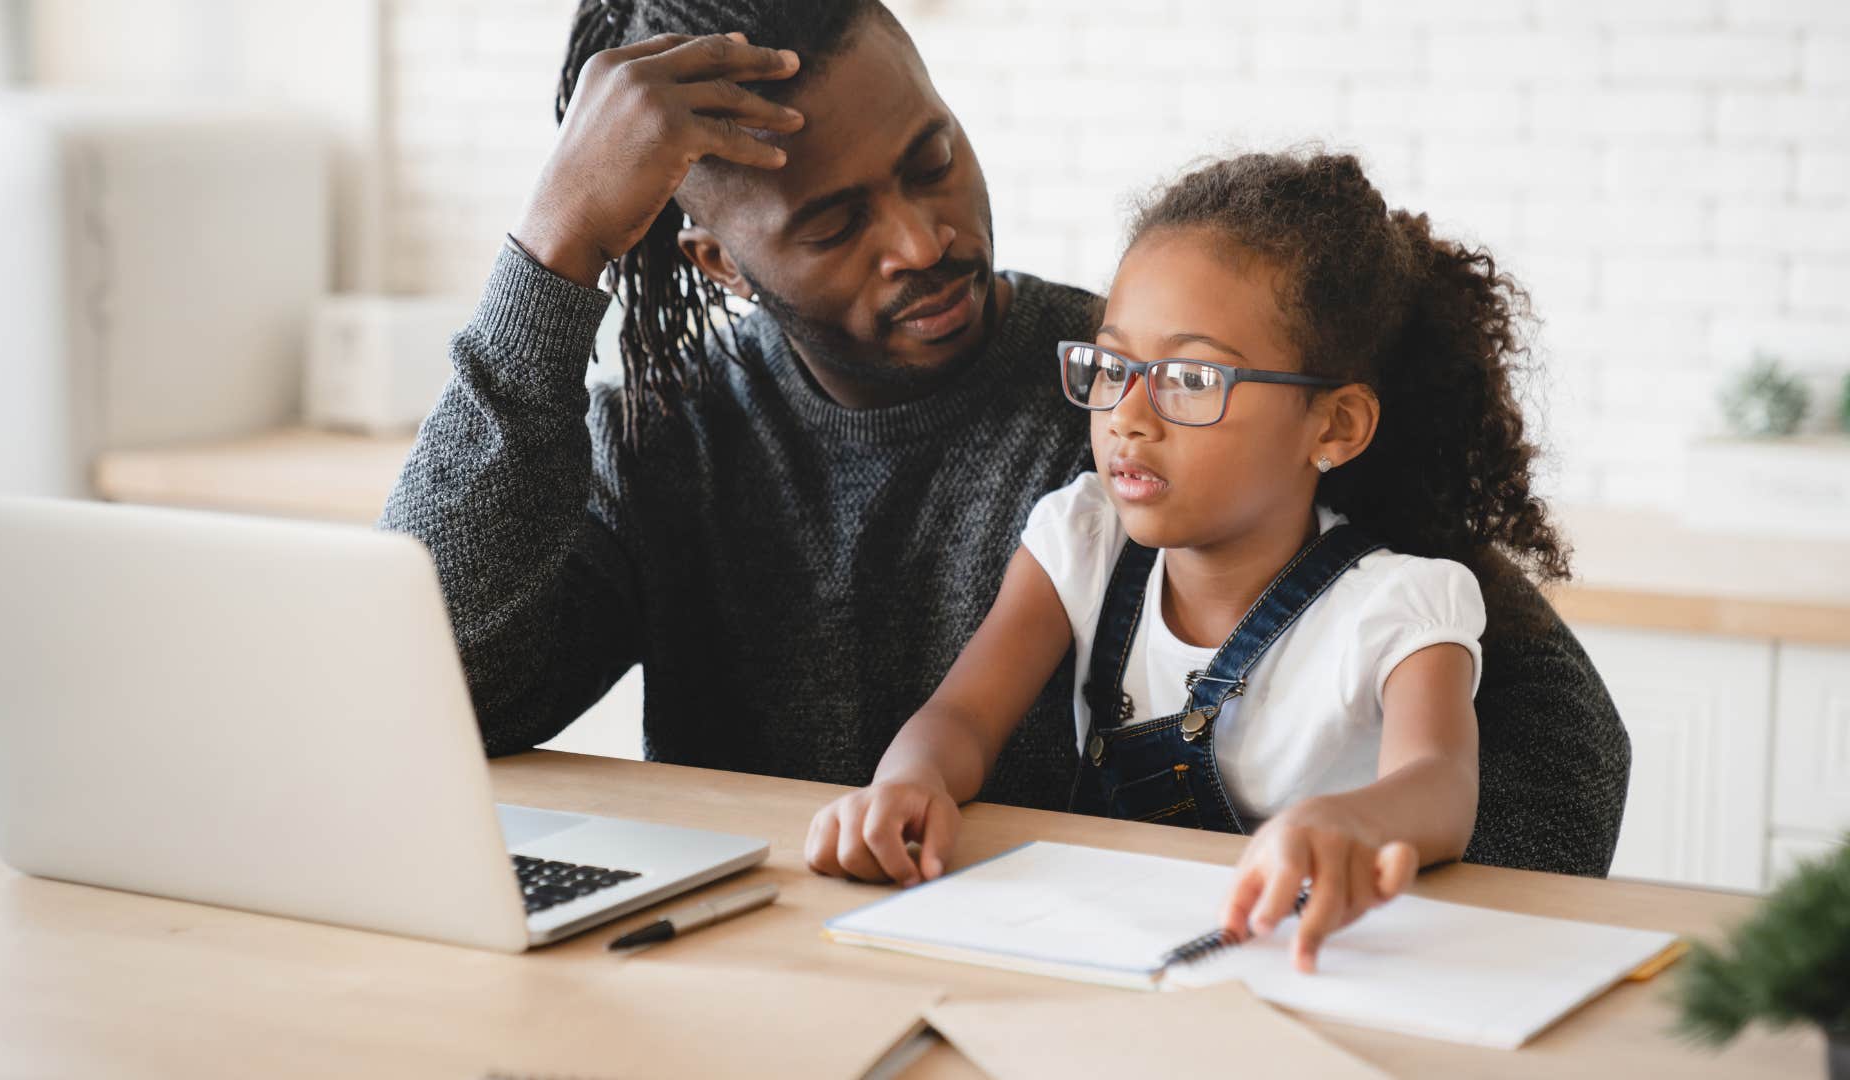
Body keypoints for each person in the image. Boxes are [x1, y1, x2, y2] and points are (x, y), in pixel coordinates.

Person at [378, 0, 1631, 877]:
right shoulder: (670, 440)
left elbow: (1565, 736)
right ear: (722, 261)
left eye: (933, 160)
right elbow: (432, 694)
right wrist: (556, 251)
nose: (924, 239)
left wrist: (1310, 875)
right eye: (833, 223)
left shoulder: (1158, 406)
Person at [807, 150, 1581, 969]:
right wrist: (910, 780)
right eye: (1112, 366)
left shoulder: (1399, 606)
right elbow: (962, 715)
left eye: (1188, 376)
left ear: (1334, 427)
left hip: (1309, 963)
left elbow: (1442, 783)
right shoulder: (1082, 539)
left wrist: (1349, 822)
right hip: (1110, 950)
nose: (1128, 416)